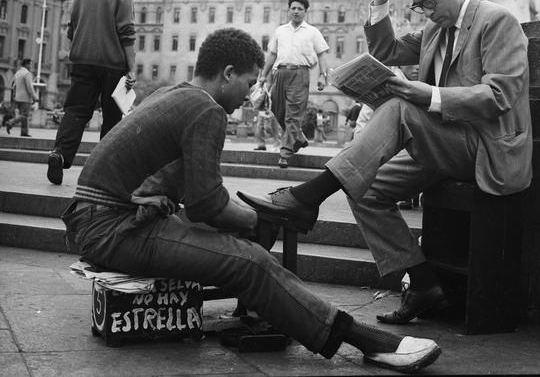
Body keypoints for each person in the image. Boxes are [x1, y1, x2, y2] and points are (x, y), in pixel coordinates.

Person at [60, 27, 441, 374]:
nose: (249, 93)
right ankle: (367, 341)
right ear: (227, 74)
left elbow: (171, 184)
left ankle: (271, 305)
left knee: (241, 245)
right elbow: (206, 205)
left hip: (99, 218)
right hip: (112, 229)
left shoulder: (172, 93)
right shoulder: (206, 109)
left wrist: (233, 216)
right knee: (250, 262)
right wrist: (255, 221)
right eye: (248, 81)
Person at [238, 0, 533, 325]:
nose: (426, 11)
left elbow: (500, 95)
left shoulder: (497, 21)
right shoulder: (434, 29)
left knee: (399, 105)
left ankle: (307, 197)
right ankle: (424, 284)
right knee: (365, 188)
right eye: (419, 7)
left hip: (486, 147)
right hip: (444, 141)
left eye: (430, 1)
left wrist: (425, 94)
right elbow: (386, 51)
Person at [47, 0, 136, 186]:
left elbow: (71, 30)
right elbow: (127, 34)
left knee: (75, 111)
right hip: (113, 65)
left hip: (83, 63)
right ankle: (103, 170)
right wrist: (132, 69)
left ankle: (60, 153)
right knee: (112, 117)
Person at [258, 0, 329, 168]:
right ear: (288, 10)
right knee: (276, 107)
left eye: (300, 9)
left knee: (292, 115)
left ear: (306, 12)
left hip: (300, 74)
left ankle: (285, 152)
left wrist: (322, 76)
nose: (296, 11)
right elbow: (272, 55)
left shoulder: (312, 32)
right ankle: (299, 137)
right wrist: (263, 76)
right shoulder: (280, 30)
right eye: (293, 8)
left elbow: (322, 55)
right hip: (279, 74)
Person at [5, 58, 36, 136]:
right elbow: (29, 87)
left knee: (23, 115)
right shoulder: (27, 73)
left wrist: (14, 95)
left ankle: (24, 132)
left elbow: (14, 85)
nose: (31, 66)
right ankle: (10, 122)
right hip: (25, 98)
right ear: (26, 64)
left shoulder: (17, 73)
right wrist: (34, 96)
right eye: (30, 64)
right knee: (25, 115)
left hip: (17, 97)